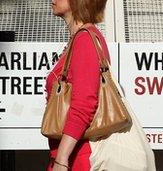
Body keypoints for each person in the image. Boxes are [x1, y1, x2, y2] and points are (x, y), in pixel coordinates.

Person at [45, 0, 109, 170]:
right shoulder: (80, 39)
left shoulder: (85, 39)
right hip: (72, 153)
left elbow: (84, 105)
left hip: (79, 157)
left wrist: (61, 159)